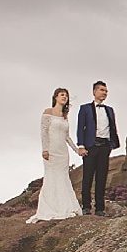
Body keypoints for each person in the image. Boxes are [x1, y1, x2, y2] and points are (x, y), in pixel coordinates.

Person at [27, 88, 87, 224]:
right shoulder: (48, 112)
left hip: (63, 152)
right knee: (52, 177)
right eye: (62, 95)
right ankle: (51, 207)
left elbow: (67, 136)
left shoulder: (64, 115)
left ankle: (65, 206)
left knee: (63, 177)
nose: (64, 97)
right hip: (52, 151)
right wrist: (45, 150)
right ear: (55, 97)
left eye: (66, 95)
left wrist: (76, 149)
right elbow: (43, 132)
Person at [76, 80, 120, 216]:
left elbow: (113, 127)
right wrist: (81, 145)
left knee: (102, 178)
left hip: (104, 146)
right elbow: (80, 127)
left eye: (106, 91)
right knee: (87, 177)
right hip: (90, 146)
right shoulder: (85, 108)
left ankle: (100, 208)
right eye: (102, 90)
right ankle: (86, 206)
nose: (104, 93)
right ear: (94, 91)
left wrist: (112, 144)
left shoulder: (109, 110)